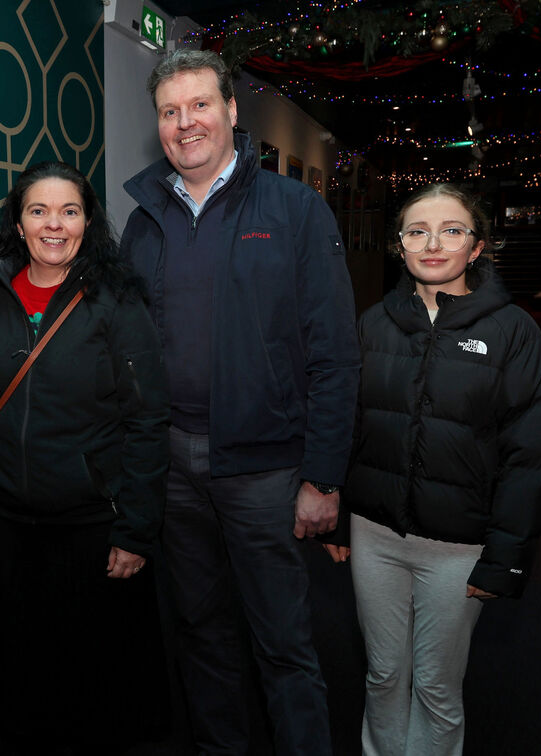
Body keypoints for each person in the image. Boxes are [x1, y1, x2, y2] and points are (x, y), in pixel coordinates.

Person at [120, 49, 360, 755]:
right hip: (172, 468)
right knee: (200, 634)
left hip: (265, 471)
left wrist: (323, 476)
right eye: (169, 111)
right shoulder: (144, 219)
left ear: (230, 111)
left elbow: (336, 353)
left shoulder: (294, 209)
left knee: (283, 644)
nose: (184, 123)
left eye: (199, 106)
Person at [324, 184, 541, 756]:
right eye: (416, 231)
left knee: (434, 686)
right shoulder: (375, 322)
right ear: (398, 244)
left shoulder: (513, 332)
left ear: (477, 247)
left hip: (460, 551)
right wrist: (338, 515)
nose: (432, 243)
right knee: (381, 675)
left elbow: (529, 454)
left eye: (451, 230)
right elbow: (351, 426)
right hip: (375, 537)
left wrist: (507, 557)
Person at [0, 161, 170, 752]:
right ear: (17, 224)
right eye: (38, 211)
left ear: (87, 222)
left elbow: (147, 420)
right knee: (14, 671)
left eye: (69, 211)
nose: (53, 224)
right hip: (2, 522)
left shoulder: (116, 301)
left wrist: (137, 530)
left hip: (88, 523)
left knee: (84, 677)